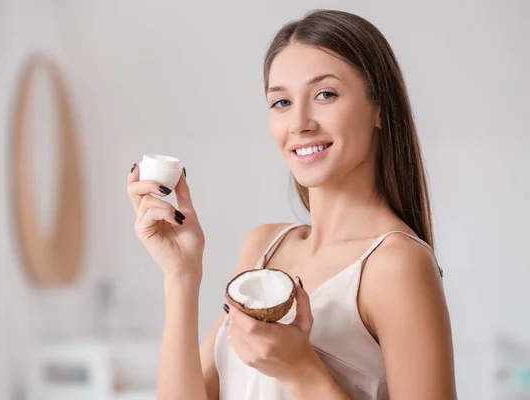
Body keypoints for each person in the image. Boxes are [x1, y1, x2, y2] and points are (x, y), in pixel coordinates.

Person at [126, 9, 457, 400]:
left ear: (379, 108)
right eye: (281, 102)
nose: (299, 123)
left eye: (325, 95)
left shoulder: (396, 264)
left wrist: (304, 374)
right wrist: (181, 275)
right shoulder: (265, 247)